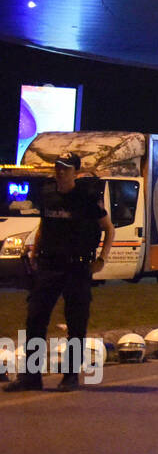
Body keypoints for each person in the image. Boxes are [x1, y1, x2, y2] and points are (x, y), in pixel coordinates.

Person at [5, 153, 114, 393]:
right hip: (49, 266)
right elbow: (45, 225)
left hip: (77, 267)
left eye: (66, 169)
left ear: (76, 172)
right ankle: (31, 377)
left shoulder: (86, 199)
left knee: (76, 322)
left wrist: (102, 259)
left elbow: (108, 229)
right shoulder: (48, 195)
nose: (61, 172)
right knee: (35, 318)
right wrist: (35, 252)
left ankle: (71, 376)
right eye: (58, 168)